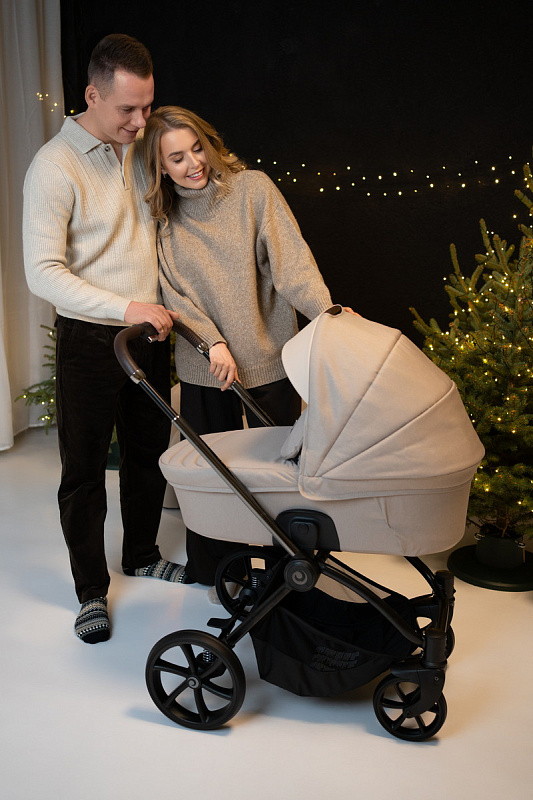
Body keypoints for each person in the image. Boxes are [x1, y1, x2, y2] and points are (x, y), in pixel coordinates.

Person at [142, 105, 355, 587]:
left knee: (279, 472)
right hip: (204, 363)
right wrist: (212, 345)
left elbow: (292, 264)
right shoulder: (163, 219)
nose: (194, 163)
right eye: (177, 158)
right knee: (210, 472)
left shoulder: (253, 189)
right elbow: (173, 293)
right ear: (160, 168)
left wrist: (328, 313)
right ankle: (219, 573)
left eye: (197, 148)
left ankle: (288, 572)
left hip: (268, 355)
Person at [22, 35, 184, 645]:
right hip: (90, 342)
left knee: (149, 455)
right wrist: (125, 307)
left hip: (150, 333)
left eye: (148, 106)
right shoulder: (54, 166)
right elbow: (43, 273)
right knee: (84, 471)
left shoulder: (142, 149)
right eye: (127, 109)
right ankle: (90, 591)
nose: (141, 122)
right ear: (92, 95)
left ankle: (141, 554)